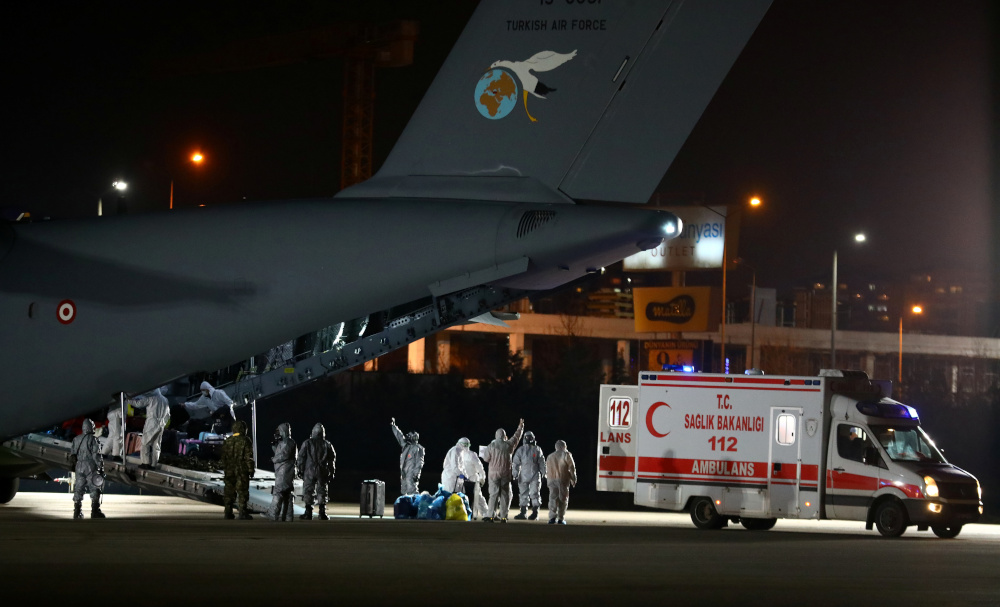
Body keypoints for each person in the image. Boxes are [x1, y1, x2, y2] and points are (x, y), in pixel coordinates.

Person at [482, 418, 524, 523]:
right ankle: (504, 517)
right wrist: (520, 426)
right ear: (504, 436)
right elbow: (516, 437)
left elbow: (486, 459)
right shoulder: (509, 445)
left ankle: (491, 515)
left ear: (496, 435)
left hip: (493, 474)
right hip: (505, 473)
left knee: (493, 495)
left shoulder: (491, 446)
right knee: (505, 495)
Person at [297, 423, 336, 520]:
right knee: (322, 490)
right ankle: (322, 512)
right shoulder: (327, 444)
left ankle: (308, 512)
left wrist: (300, 469)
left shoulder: (307, 443)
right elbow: (332, 459)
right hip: (322, 470)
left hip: (309, 470)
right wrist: (331, 471)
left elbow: (301, 457)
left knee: (308, 490)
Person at [70, 418, 105, 519]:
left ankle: (77, 511)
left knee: (78, 487)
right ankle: (95, 511)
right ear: (91, 427)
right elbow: (96, 455)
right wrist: (100, 466)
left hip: (79, 466)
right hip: (90, 465)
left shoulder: (76, 439)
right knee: (94, 487)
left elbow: (72, 454)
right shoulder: (93, 439)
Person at [220, 420, 255, 520]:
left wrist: (226, 468)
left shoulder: (228, 440)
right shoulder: (245, 440)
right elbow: (249, 457)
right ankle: (242, 512)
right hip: (241, 470)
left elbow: (223, 457)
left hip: (229, 469)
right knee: (242, 491)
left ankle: (228, 512)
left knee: (229, 491)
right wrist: (251, 469)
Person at [129, 387, 170, 469]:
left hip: (152, 422)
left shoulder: (152, 398)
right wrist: (163, 423)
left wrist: (128, 400)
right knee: (156, 445)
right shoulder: (165, 400)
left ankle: (145, 463)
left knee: (145, 442)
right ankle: (154, 464)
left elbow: (138, 404)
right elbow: (168, 415)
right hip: (161, 424)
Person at [512, 430, 545, 520]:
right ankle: (523, 512)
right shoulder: (521, 450)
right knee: (523, 494)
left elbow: (542, 462)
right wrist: (515, 474)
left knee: (534, 493)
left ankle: (535, 512)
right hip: (523, 475)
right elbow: (515, 463)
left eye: (530, 437)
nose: (528, 439)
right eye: (527, 437)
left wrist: (544, 473)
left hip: (534, 475)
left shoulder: (537, 449)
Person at [269, 422, 297, 522]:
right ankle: (288, 517)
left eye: (279, 431)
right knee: (287, 495)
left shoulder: (288, 442)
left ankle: (273, 515)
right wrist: (274, 446)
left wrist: (274, 459)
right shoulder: (285, 442)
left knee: (278, 492)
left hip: (284, 471)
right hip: (284, 471)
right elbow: (280, 452)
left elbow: (284, 455)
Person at [545, 439, 577, 525]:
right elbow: (571, 467)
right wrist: (573, 479)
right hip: (562, 480)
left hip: (551, 480)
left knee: (552, 498)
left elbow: (546, 469)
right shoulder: (566, 454)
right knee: (563, 499)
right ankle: (560, 518)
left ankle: (552, 518)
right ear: (564, 446)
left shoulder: (550, 456)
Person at [390, 418, 424, 495]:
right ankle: (404, 505)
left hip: (411, 472)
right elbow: (399, 436)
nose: (407, 437)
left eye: (409, 436)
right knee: (404, 490)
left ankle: (415, 505)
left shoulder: (418, 448)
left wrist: (416, 474)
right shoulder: (406, 446)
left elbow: (419, 462)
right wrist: (393, 426)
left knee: (412, 489)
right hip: (404, 471)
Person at [458, 438, 489, 520]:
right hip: (468, 480)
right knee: (478, 498)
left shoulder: (463, 455)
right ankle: (485, 514)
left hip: (470, 480)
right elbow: (480, 468)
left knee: (477, 498)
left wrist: (482, 478)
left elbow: (480, 468)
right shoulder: (470, 454)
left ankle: (485, 514)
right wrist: (482, 478)